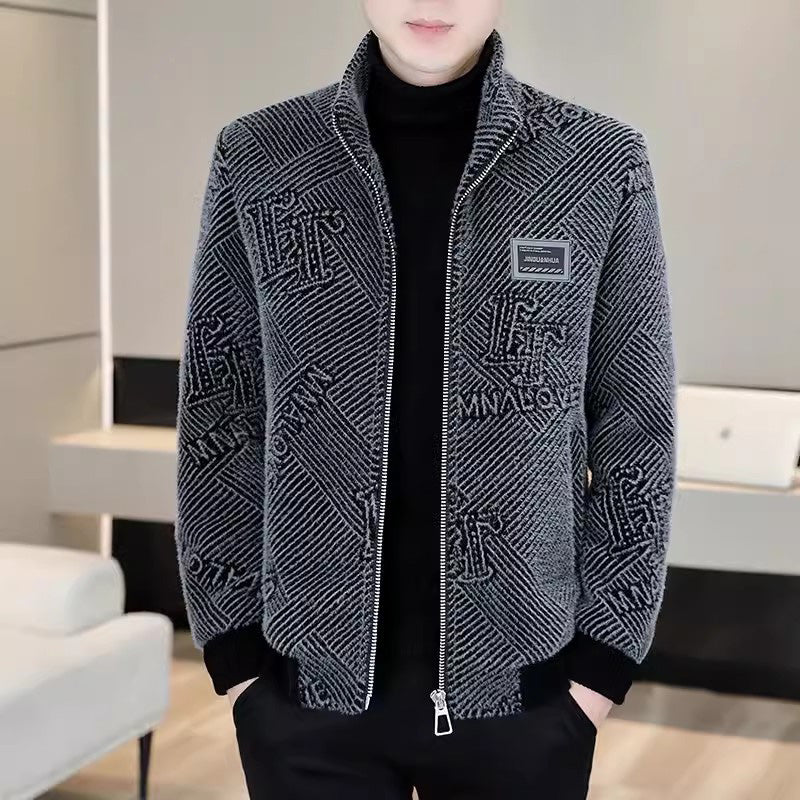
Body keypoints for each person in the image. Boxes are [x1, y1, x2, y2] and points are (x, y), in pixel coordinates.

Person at [174, 0, 677, 797]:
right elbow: (221, 404)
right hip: (303, 696)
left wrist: (601, 667)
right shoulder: (262, 155)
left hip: (526, 693)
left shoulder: (596, 163)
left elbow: (635, 422)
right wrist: (234, 653)